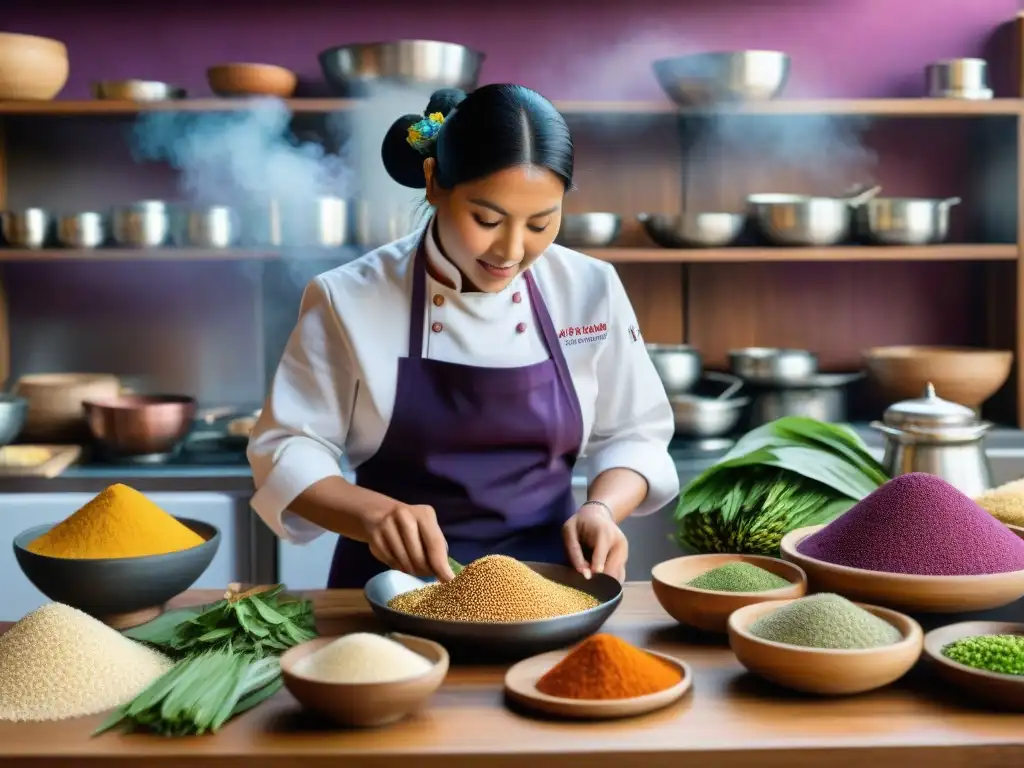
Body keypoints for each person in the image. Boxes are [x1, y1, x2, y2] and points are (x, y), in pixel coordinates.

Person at [247, 84, 679, 588]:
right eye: (487, 219)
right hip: (391, 589)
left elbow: (635, 432)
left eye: (541, 223)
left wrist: (602, 509)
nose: (512, 251)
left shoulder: (589, 287)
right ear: (434, 182)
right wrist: (371, 515)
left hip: (550, 591)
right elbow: (287, 446)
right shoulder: (348, 297)